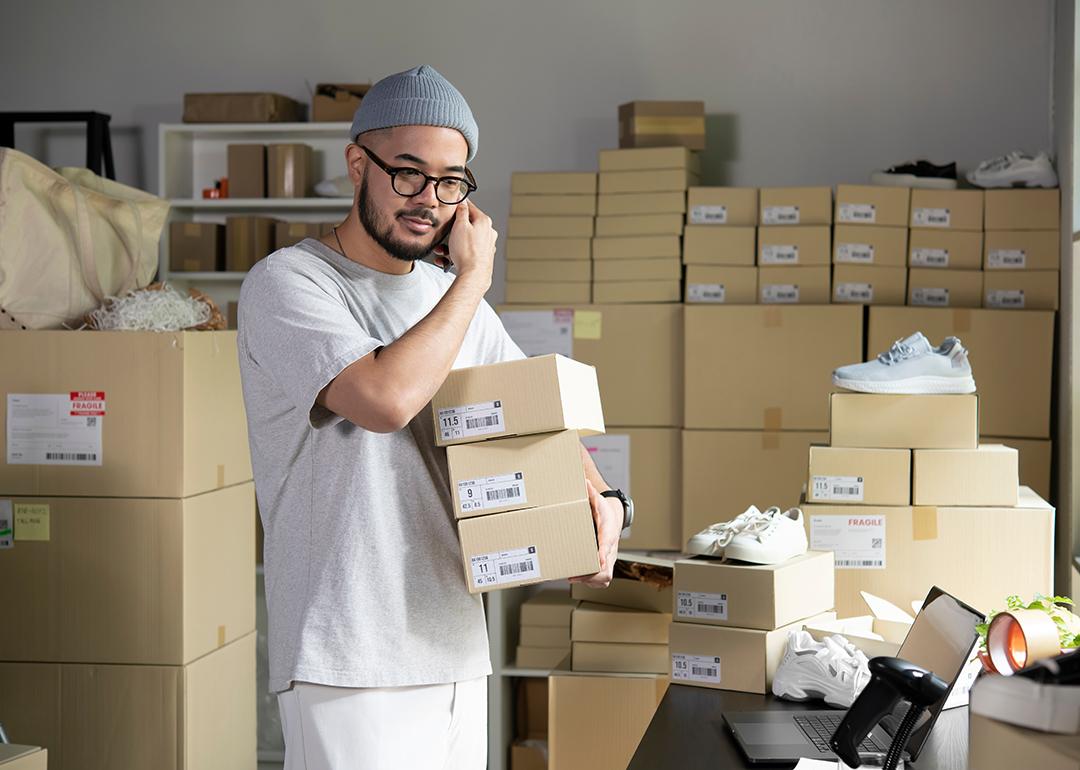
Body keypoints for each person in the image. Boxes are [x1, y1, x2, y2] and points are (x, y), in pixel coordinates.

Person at [236, 65, 630, 770]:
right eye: (409, 174)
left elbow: (536, 418)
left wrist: (602, 502)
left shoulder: (450, 297)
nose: (430, 200)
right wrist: (472, 279)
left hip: (453, 641)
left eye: (452, 182)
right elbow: (383, 400)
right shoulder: (289, 283)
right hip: (348, 653)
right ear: (358, 164)